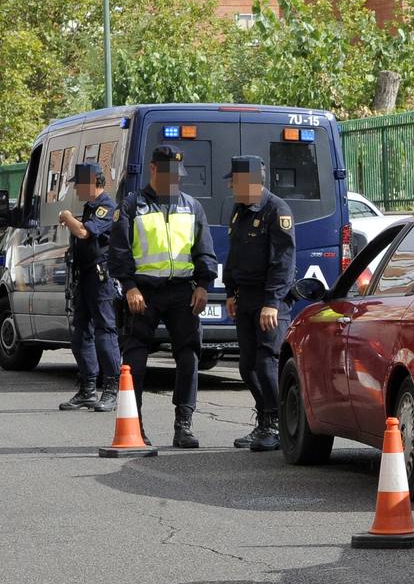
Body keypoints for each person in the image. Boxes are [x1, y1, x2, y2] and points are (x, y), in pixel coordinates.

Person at [108, 145, 217, 449]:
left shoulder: (191, 206)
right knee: (136, 359)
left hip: (182, 291)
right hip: (144, 293)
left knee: (188, 356)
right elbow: (118, 252)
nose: (174, 182)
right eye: (168, 174)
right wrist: (129, 286)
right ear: (153, 170)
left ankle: (184, 424)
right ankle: (135, 424)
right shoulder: (132, 206)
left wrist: (203, 285)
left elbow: (204, 250)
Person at [222, 155, 295, 452]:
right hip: (246, 297)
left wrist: (273, 302)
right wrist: (230, 291)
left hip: (269, 300)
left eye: (233, 180)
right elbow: (234, 255)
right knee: (247, 366)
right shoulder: (239, 211)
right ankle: (265, 420)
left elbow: (284, 261)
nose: (229, 185)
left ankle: (277, 424)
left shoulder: (276, 210)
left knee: (267, 364)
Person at [58, 162, 121, 413]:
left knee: (105, 332)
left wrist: (67, 217)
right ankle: (88, 389)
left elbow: (85, 233)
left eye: (80, 184)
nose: (77, 189)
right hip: (84, 277)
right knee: (80, 333)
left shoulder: (107, 206)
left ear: (94, 182)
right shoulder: (90, 207)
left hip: (100, 278)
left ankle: (111, 388)